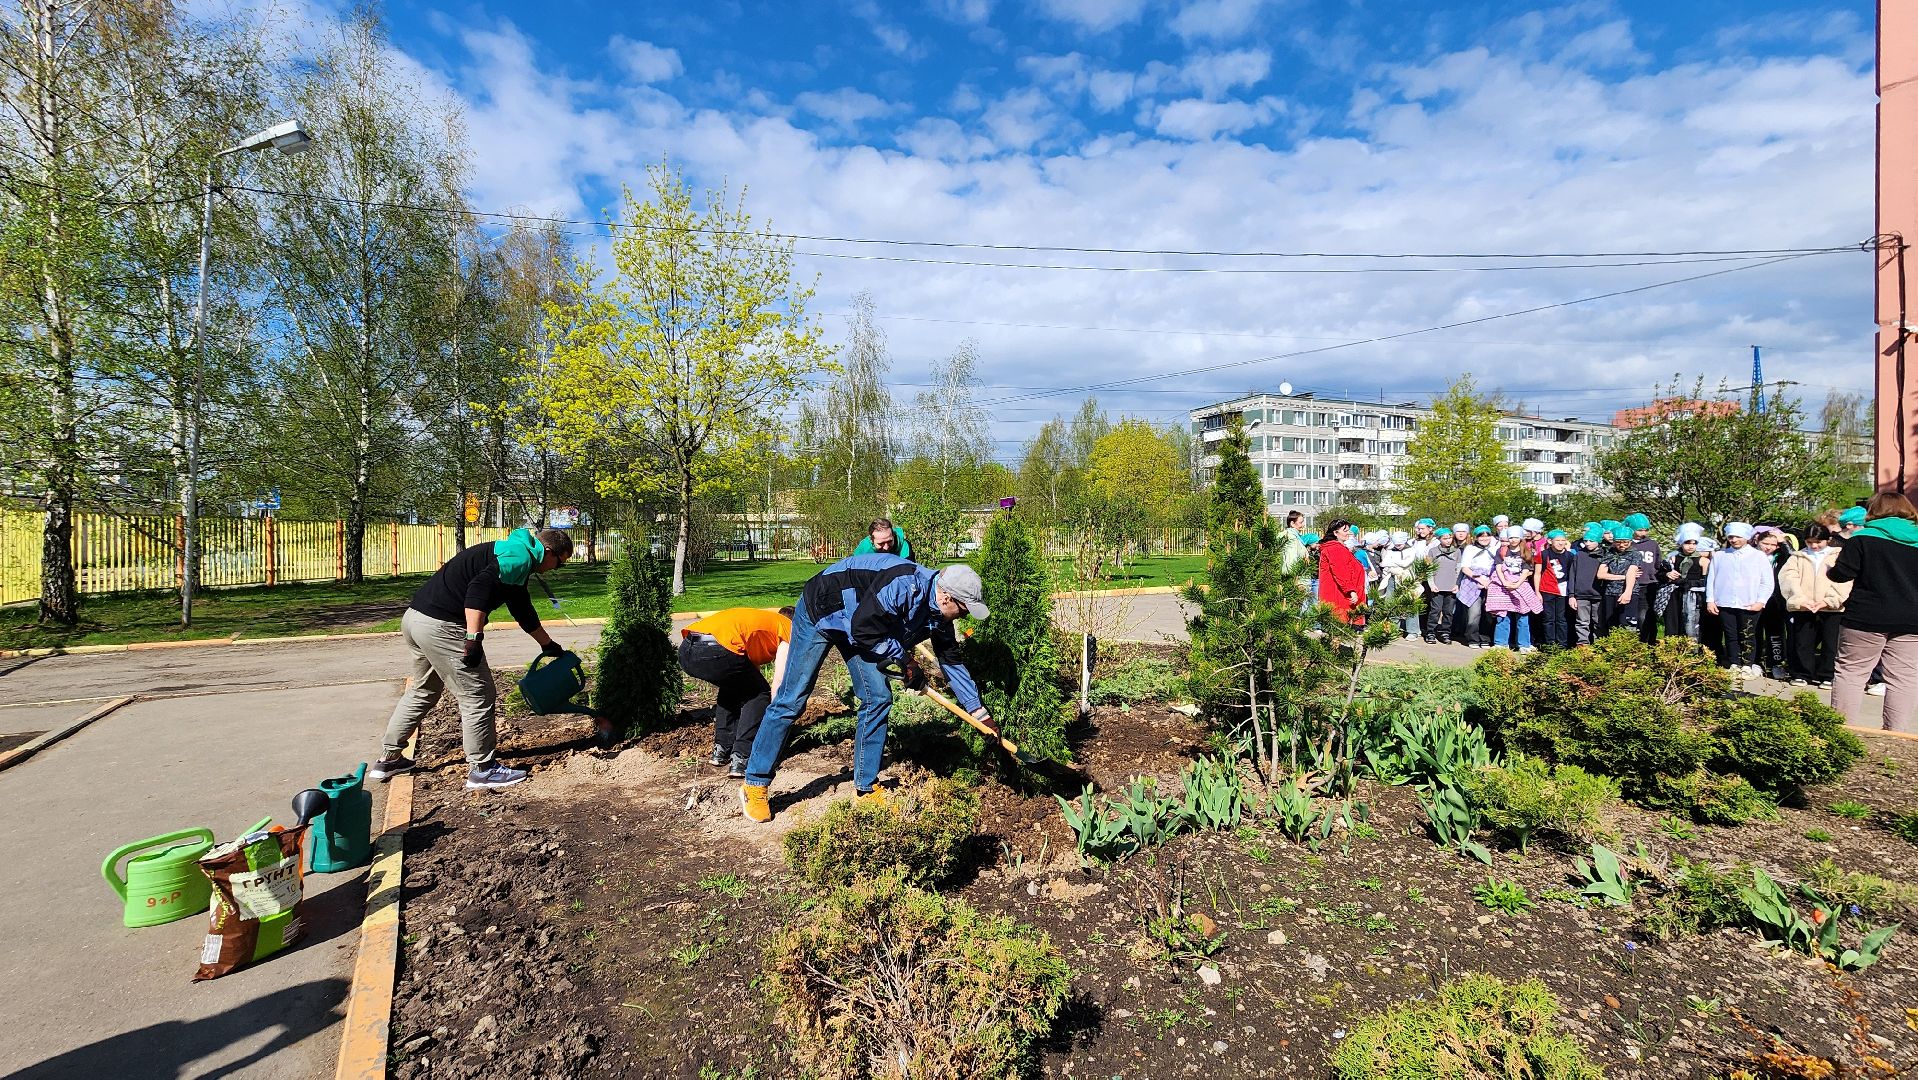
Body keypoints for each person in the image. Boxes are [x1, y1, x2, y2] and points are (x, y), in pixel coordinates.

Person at [739, 554, 994, 822]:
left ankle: (865, 787)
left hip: (860, 625)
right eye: (964, 610)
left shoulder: (939, 615)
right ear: (947, 598)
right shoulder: (904, 585)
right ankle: (755, 783)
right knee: (792, 699)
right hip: (822, 609)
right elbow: (864, 629)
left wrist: (980, 715)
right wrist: (906, 661)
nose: (964, 616)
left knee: (878, 698)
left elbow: (951, 663)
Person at [373, 527, 574, 790]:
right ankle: (483, 769)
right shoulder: (519, 557)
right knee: (477, 694)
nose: (555, 569)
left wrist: (547, 644)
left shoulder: (514, 554)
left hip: (416, 619)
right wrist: (473, 638)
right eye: (559, 563)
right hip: (444, 626)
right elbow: (478, 589)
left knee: (424, 690)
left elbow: (521, 607)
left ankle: (389, 758)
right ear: (548, 552)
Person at [1827, 492, 1918, 734]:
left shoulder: (1863, 538)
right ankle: (1897, 735)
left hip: (1865, 616)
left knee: (1852, 671)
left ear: (1874, 511)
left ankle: (1841, 731)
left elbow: (1842, 574)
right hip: (1912, 618)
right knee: (1904, 678)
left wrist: (1829, 570)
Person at [679, 606, 793, 779]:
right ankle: (742, 757)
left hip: (688, 649)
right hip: (715, 650)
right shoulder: (788, 627)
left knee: (734, 687)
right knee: (759, 694)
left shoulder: (765, 623)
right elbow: (778, 681)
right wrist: (775, 720)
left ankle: (721, 750)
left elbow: (747, 673)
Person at [1779, 523, 1848, 688]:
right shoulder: (1797, 557)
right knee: (1803, 641)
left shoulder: (1839, 555)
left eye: (1818, 542)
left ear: (1828, 540)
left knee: (1831, 643)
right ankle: (1802, 673)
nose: (1814, 546)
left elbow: (1844, 580)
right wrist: (1800, 599)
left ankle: (1828, 675)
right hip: (1805, 606)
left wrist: (1829, 600)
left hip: (1832, 608)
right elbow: (1788, 578)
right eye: (1810, 542)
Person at [1705, 522, 1773, 677]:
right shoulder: (1720, 555)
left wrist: (1761, 601)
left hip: (1749, 602)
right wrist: (1710, 599)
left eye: (1738, 537)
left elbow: (1767, 581)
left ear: (1747, 537)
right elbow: (1711, 578)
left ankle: (1748, 664)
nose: (1734, 540)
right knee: (1730, 634)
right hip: (1725, 602)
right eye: (1731, 537)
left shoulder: (1758, 556)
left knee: (1747, 634)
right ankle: (1734, 663)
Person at [1485, 528, 1540, 651]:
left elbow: (1526, 571)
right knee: (1502, 616)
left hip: (1520, 585)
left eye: (1516, 537)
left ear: (1520, 538)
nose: (1513, 540)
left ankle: (1524, 644)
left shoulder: (1526, 551)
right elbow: (1498, 568)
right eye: (1510, 537)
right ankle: (1501, 644)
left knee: (1523, 616)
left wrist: (1517, 584)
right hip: (1503, 586)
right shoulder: (1502, 551)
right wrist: (1505, 582)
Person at [1751, 526, 1793, 679]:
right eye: (1765, 543)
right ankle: (1754, 662)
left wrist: (1783, 542)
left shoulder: (1781, 557)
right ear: (1757, 541)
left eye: (1773, 544)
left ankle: (1776, 663)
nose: (1768, 547)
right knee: (1754, 631)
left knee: (1775, 632)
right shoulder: (1751, 555)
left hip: (1775, 600)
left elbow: (1793, 555)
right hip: (1754, 598)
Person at [1660, 524, 1711, 644]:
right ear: (1681, 543)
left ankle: (1692, 650)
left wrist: (1684, 582)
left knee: (1691, 624)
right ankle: (1672, 648)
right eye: (1687, 543)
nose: (1691, 546)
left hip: (1694, 596)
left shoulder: (1703, 561)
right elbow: (1661, 575)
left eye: (1694, 543)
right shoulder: (1673, 558)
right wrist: (1667, 575)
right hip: (1674, 595)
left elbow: (1704, 581)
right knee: (1673, 623)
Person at [1317, 520, 1368, 624]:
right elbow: (1341, 572)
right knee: (1340, 625)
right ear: (1335, 533)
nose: (1348, 533)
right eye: (1345, 531)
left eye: (1348, 530)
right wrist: (1351, 590)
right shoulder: (1335, 549)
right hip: (1339, 595)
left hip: (1341, 593)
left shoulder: (1337, 547)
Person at [1453, 526, 1497, 648]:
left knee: (1488, 612)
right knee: (1474, 612)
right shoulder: (1470, 549)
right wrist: (1479, 579)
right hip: (1473, 582)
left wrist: (1489, 581)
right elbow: (1465, 567)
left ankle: (1485, 638)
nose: (1484, 538)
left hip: (1491, 582)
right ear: (1476, 537)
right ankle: (1472, 638)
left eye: (1487, 536)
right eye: (1481, 536)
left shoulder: (1494, 548)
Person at [1622, 513, 1661, 643]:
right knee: (1630, 617)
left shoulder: (1652, 544)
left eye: (1646, 530)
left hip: (1648, 584)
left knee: (1645, 616)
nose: (1643, 533)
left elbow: (1658, 564)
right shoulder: (1626, 544)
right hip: (1629, 585)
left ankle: (1648, 643)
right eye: (1640, 530)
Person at [1595, 525, 1642, 634]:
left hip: (1628, 592)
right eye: (1618, 542)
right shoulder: (1609, 554)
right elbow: (1601, 574)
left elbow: (1632, 571)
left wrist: (1627, 593)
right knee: (1611, 624)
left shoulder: (1635, 554)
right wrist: (1623, 577)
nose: (1622, 545)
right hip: (1610, 592)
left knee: (1628, 624)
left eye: (1625, 542)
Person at [1567, 524, 1605, 646]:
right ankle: (1583, 645)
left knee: (1598, 621)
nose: (1588, 543)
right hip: (1581, 595)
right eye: (1586, 541)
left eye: (1591, 541)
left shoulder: (1605, 555)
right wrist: (1571, 595)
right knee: (1582, 622)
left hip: (1599, 595)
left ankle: (1599, 645)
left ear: (1598, 541)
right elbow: (1572, 575)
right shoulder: (1579, 555)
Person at [1424, 529, 1462, 643]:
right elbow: (1429, 569)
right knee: (1435, 611)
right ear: (1439, 539)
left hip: (1451, 587)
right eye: (1445, 538)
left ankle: (1445, 632)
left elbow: (1458, 569)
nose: (1448, 540)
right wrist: (1431, 584)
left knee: (1448, 612)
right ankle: (1430, 632)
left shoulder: (1457, 552)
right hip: (1437, 586)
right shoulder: (1432, 551)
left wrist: (1457, 584)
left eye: (1450, 538)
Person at [1538, 529, 1572, 648]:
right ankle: (1550, 644)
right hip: (1547, 590)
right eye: (1557, 540)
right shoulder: (1543, 554)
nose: (1561, 543)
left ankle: (1562, 644)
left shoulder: (1570, 556)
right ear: (1550, 541)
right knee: (1548, 618)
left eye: (1563, 540)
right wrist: (1537, 592)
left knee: (1561, 618)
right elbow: (1537, 573)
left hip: (1563, 591)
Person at [1381, 530, 1417, 637]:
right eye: (1396, 544)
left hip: (1407, 579)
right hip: (1392, 578)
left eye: (1400, 544)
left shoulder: (1411, 550)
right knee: (1391, 603)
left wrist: (1392, 562)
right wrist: (1394, 563)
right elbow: (1384, 563)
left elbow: (1406, 563)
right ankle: (1393, 628)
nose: (1398, 546)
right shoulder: (1391, 551)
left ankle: (1413, 630)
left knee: (1410, 604)